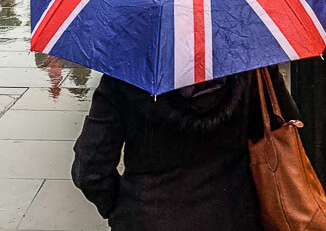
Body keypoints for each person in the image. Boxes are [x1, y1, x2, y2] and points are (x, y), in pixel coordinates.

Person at [72, 66, 298, 230]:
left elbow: (91, 171)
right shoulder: (249, 63)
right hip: (234, 214)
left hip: (148, 218)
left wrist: (122, 208)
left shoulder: (125, 73)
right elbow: (284, 126)